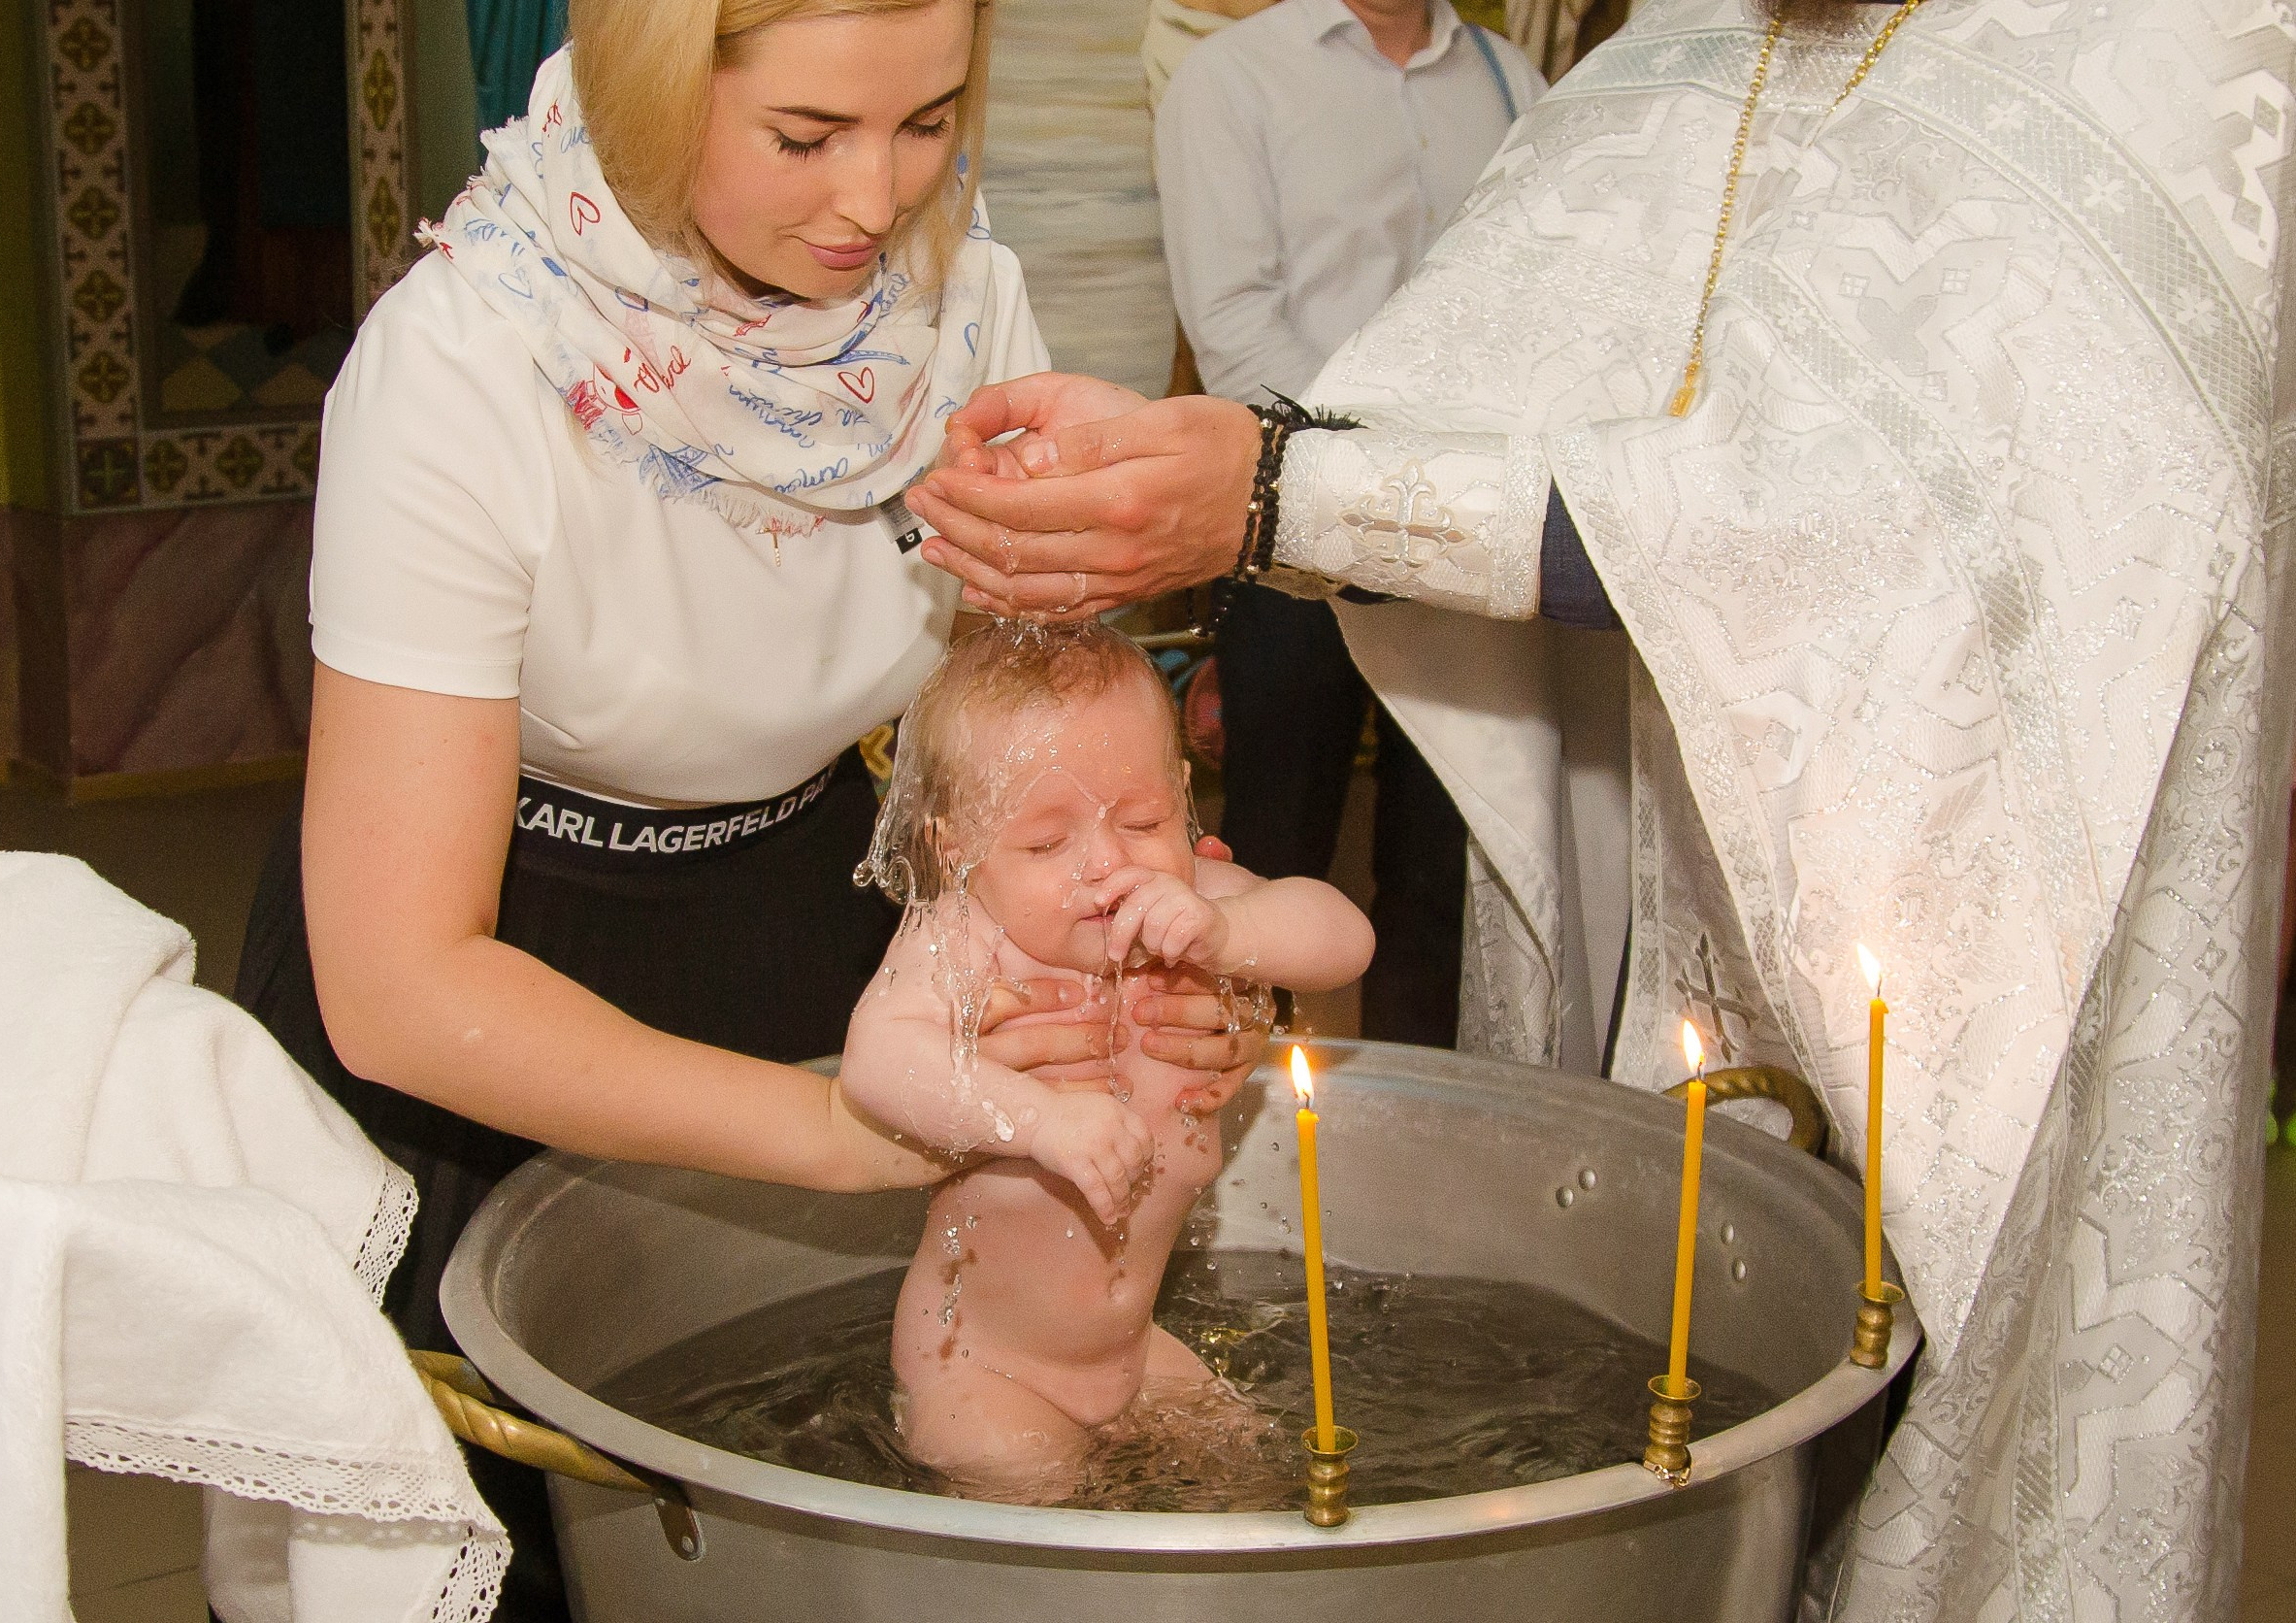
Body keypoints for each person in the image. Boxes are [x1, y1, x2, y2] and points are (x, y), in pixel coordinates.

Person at [899, 0, 2296, 1613]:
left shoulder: (2187, 55)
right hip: (1650, 893)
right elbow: (1472, 395)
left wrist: (1274, 489)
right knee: (1633, 1439)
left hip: (2001, 954)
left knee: (1934, 1475)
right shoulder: (1685, 45)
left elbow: (1898, 546)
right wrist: (1222, 462)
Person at [234, 3, 1263, 1613]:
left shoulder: (959, 304)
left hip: (808, 922)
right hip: (493, 979)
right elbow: (401, 986)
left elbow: (1037, 744)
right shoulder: (460, 368)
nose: (875, 198)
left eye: (926, 120)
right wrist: (840, 1130)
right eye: (803, 137)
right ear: (655, 86)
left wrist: (1153, 933)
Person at [840, 622, 1372, 1495]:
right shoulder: (966, 940)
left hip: (1129, 1357)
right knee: (1047, 1522)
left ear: (1185, 797)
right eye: (1046, 844)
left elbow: (1345, 938)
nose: (1106, 863)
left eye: (1143, 819)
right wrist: (1038, 1120)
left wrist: (1232, 931)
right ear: (952, 849)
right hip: (981, 1369)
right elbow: (875, 1058)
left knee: (1257, 1485)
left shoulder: (1191, 910)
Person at [1155, 0, 1543, 1046]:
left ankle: (1420, 1126)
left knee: (1447, 866)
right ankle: (1240, 1124)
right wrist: (1368, 484)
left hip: (1472, 543)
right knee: (1274, 854)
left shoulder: (1511, 80)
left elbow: (1543, 310)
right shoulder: (1231, 77)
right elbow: (1234, 326)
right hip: (1295, 533)